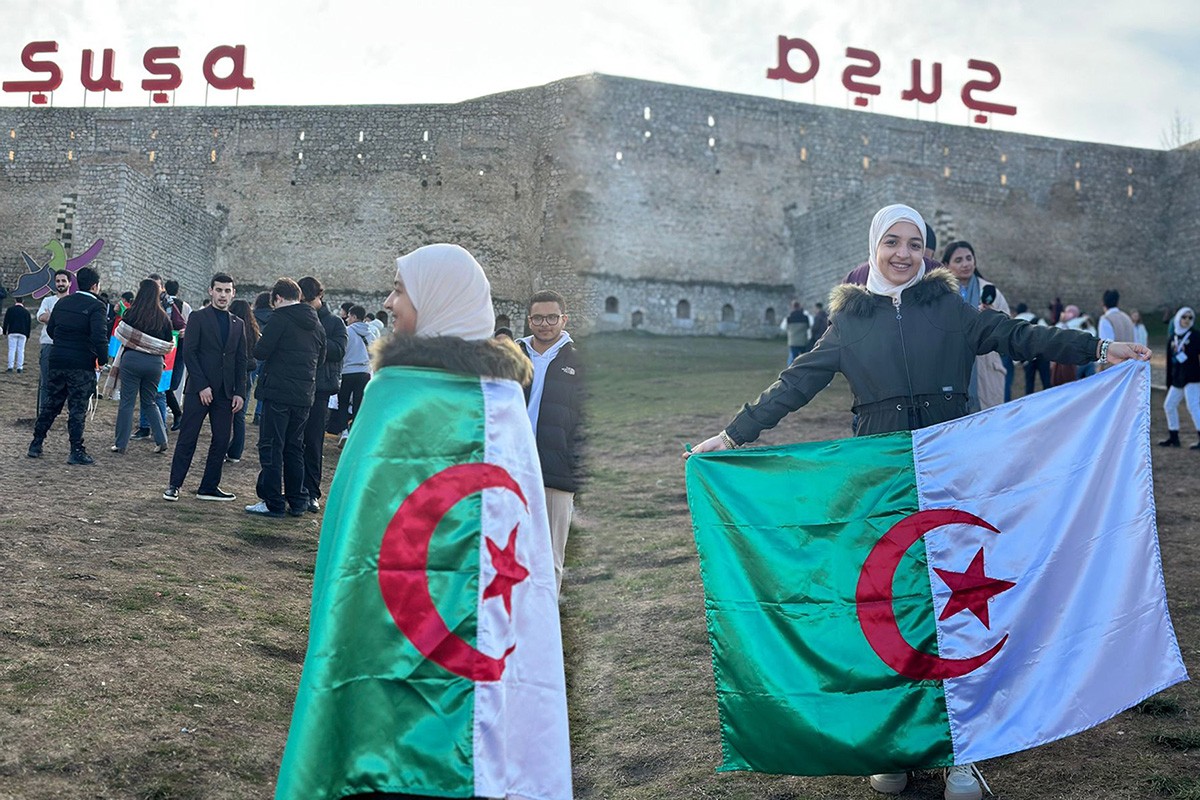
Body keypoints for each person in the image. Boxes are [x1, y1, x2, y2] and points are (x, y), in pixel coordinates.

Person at [688, 204, 1151, 800]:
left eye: (915, 243)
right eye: (892, 242)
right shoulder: (850, 322)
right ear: (874, 248)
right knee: (890, 610)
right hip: (881, 484)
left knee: (963, 611)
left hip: (954, 471)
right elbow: (796, 382)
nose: (903, 254)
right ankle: (898, 748)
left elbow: (1016, 335)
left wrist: (1094, 349)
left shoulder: (950, 310)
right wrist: (731, 436)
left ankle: (963, 754)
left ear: (926, 252)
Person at [274, 243, 570, 800]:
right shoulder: (394, 392)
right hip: (387, 611)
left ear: (437, 299)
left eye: (399, 289)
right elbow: (360, 526)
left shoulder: (498, 402)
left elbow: (507, 530)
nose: (388, 302)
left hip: (468, 630)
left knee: (462, 730)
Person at [517, 289, 584, 595]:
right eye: (538, 317)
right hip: (513, 470)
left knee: (551, 558)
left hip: (556, 473)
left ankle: (545, 633)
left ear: (563, 319)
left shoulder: (579, 362)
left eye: (552, 317)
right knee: (509, 553)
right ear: (529, 320)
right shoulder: (511, 358)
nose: (545, 324)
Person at [246, 278, 326, 518]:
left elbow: (261, 351)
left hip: (278, 392)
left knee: (272, 446)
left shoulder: (280, 319)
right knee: (294, 448)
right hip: (304, 396)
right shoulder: (316, 323)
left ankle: (273, 501)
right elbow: (321, 359)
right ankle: (297, 500)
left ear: (277, 298)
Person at [163, 274, 247, 502]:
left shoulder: (238, 324)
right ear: (211, 291)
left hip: (226, 393)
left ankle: (209, 486)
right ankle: (174, 485)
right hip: (198, 391)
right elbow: (190, 353)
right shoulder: (198, 318)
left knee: (221, 440)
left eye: (227, 291)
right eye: (219, 290)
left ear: (233, 293)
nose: (223, 295)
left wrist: (240, 392)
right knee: (188, 438)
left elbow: (241, 360)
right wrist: (202, 386)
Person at [28, 266, 108, 465]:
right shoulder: (96, 306)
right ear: (95, 286)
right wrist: (103, 359)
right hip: (81, 362)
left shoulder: (62, 303)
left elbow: (53, 328)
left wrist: (64, 344)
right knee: (77, 407)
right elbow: (99, 336)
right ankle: (76, 449)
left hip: (58, 358)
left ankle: (36, 443)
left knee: (52, 403)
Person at [942, 240, 1012, 410]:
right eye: (958, 260)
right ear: (946, 265)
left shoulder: (990, 291)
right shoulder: (941, 293)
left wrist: (991, 316)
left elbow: (1008, 328)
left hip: (986, 370)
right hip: (952, 368)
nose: (965, 264)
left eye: (969, 258)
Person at [298, 276, 347, 514]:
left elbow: (339, 351)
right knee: (293, 442)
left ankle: (312, 491)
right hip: (296, 387)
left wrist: (314, 342)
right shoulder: (295, 319)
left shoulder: (334, 322)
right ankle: (296, 489)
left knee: (314, 442)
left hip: (320, 390)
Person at [108, 279, 173, 455]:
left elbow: (120, 332)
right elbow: (168, 344)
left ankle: (120, 443)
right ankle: (161, 440)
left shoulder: (131, 314)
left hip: (132, 360)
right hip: (155, 363)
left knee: (127, 402)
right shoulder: (164, 319)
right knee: (149, 401)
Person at [329, 304, 376, 443]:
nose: (347, 319)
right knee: (358, 404)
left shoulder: (347, 332)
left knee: (343, 402)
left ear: (354, 317)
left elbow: (342, 352)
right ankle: (355, 432)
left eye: (349, 316)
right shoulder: (371, 334)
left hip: (348, 372)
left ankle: (344, 432)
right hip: (365, 372)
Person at [225, 298, 260, 464]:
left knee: (225, 412)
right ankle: (236, 452)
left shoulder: (231, 327)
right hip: (248, 374)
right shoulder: (253, 330)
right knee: (240, 414)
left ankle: (223, 447)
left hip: (231, 374)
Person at [1159, 307, 1200, 449]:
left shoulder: (1195, 336)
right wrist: (1168, 382)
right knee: (1169, 405)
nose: (1187, 320)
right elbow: (1170, 362)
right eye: (1184, 317)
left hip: (1192, 377)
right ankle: (1174, 437)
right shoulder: (1173, 338)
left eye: (1190, 318)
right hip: (1178, 378)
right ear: (1178, 318)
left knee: (1193, 406)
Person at [36, 269, 71, 415]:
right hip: (49, 345)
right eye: (58, 281)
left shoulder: (73, 301)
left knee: (68, 383)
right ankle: (42, 413)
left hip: (67, 347)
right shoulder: (48, 300)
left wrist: (53, 316)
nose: (60, 284)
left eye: (63, 281)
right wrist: (62, 317)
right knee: (45, 382)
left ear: (69, 283)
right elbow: (42, 317)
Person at [1013, 303, 1052, 394]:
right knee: (1046, 381)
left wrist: (1017, 360)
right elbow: (1047, 333)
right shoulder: (1037, 320)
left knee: (1029, 383)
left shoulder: (1015, 322)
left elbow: (1014, 342)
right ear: (1027, 310)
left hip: (1027, 357)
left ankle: (1029, 405)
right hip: (1041, 354)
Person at [1097, 290, 1135, 372]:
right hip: (1129, 365)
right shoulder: (1127, 318)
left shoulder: (1106, 319)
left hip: (1114, 368)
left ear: (1103, 304)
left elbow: (1106, 346)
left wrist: (1100, 367)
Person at [251, 291, 272, 425]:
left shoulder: (252, 316)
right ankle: (259, 413)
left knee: (248, 382)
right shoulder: (275, 317)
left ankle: (242, 408)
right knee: (264, 385)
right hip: (268, 353)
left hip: (254, 351)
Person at [4, 297, 31, 372]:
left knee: (12, 350)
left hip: (12, 331)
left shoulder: (10, 310)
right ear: (23, 301)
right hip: (23, 332)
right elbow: (28, 324)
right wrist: (28, 335)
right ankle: (20, 368)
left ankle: (10, 367)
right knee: (21, 350)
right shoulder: (26, 312)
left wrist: (4, 331)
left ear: (15, 300)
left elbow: (6, 321)